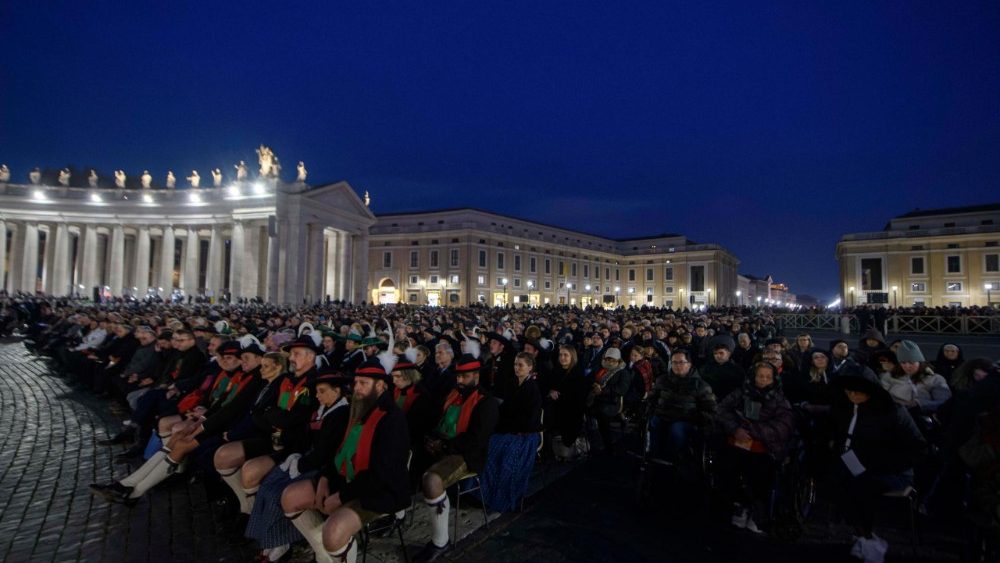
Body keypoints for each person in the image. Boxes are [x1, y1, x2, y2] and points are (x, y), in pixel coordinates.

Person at [280, 355, 410, 563]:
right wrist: (325, 478)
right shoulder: (358, 409)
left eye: (363, 383)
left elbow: (382, 474)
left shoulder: (393, 419)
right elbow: (341, 453)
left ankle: (334, 549)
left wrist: (341, 496)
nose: (356, 388)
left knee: (334, 532)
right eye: (356, 383)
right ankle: (324, 555)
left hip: (379, 490)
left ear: (380, 386)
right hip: (347, 479)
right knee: (290, 497)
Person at [245, 369, 351, 563]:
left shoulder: (341, 414)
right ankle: (268, 540)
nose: (317, 395)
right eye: (317, 391)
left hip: (322, 466)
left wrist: (300, 463)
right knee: (267, 485)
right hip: (307, 458)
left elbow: (326, 452)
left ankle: (282, 543)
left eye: (321, 391)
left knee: (277, 493)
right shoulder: (321, 410)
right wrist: (294, 455)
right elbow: (304, 437)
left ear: (336, 391)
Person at [831, 365, 927, 562]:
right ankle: (863, 535)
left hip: (893, 471)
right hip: (856, 466)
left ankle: (868, 539)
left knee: (858, 487)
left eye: (858, 391)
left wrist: (882, 464)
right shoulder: (845, 408)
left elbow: (917, 448)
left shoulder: (892, 411)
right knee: (833, 482)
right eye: (849, 391)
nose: (853, 395)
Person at [413, 350, 499, 562]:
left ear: (476, 376)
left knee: (432, 480)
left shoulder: (486, 403)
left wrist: (444, 445)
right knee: (403, 461)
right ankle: (396, 516)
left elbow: (475, 439)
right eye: (458, 376)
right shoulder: (453, 395)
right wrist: (431, 439)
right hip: (442, 446)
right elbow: (438, 420)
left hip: (465, 454)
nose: (459, 381)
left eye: (464, 377)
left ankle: (440, 542)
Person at [716, 361, 795, 534]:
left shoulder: (780, 400)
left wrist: (753, 431)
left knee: (760, 472)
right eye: (760, 376)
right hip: (739, 441)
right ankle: (739, 505)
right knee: (726, 467)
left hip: (765, 446)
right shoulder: (741, 393)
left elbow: (783, 426)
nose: (764, 380)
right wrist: (735, 429)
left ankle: (757, 512)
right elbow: (721, 409)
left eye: (768, 377)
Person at [480, 352, 543, 511]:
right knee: (488, 447)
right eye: (515, 364)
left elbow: (531, 419)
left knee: (507, 454)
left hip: (525, 434)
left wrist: (511, 428)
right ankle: (484, 494)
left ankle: (502, 499)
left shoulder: (533, 389)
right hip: (509, 429)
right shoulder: (512, 383)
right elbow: (506, 409)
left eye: (520, 365)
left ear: (530, 367)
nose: (517, 368)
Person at [646, 349, 716, 462]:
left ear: (689, 364)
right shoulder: (662, 380)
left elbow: (710, 409)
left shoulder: (700, 385)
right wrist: (649, 411)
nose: (677, 366)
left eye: (681, 362)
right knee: (654, 422)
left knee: (676, 428)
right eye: (674, 362)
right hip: (663, 416)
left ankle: (675, 458)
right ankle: (654, 456)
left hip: (686, 420)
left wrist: (699, 420)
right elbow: (651, 399)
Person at [585, 347, 633, 456]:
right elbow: (588, 379)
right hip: (596, 398)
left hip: (611, 401)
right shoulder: (600, 368)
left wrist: (602, 390)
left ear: (618, 360)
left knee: (601, 414)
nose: (609, 362)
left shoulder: (622, 372)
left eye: (612, 360)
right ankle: (588, 440)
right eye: (607, 359)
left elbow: (621, 389)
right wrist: (594, 384)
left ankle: (609, 446)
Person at [547, 344, 589, 459]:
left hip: (572, 411)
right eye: (560, 355)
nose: (562, 357)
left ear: (572, 357)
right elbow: (550, 385)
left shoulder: (578, 374)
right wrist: (551, 391)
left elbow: (578, 399)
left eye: (566, 355)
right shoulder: (556, 370)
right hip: (557, 407)